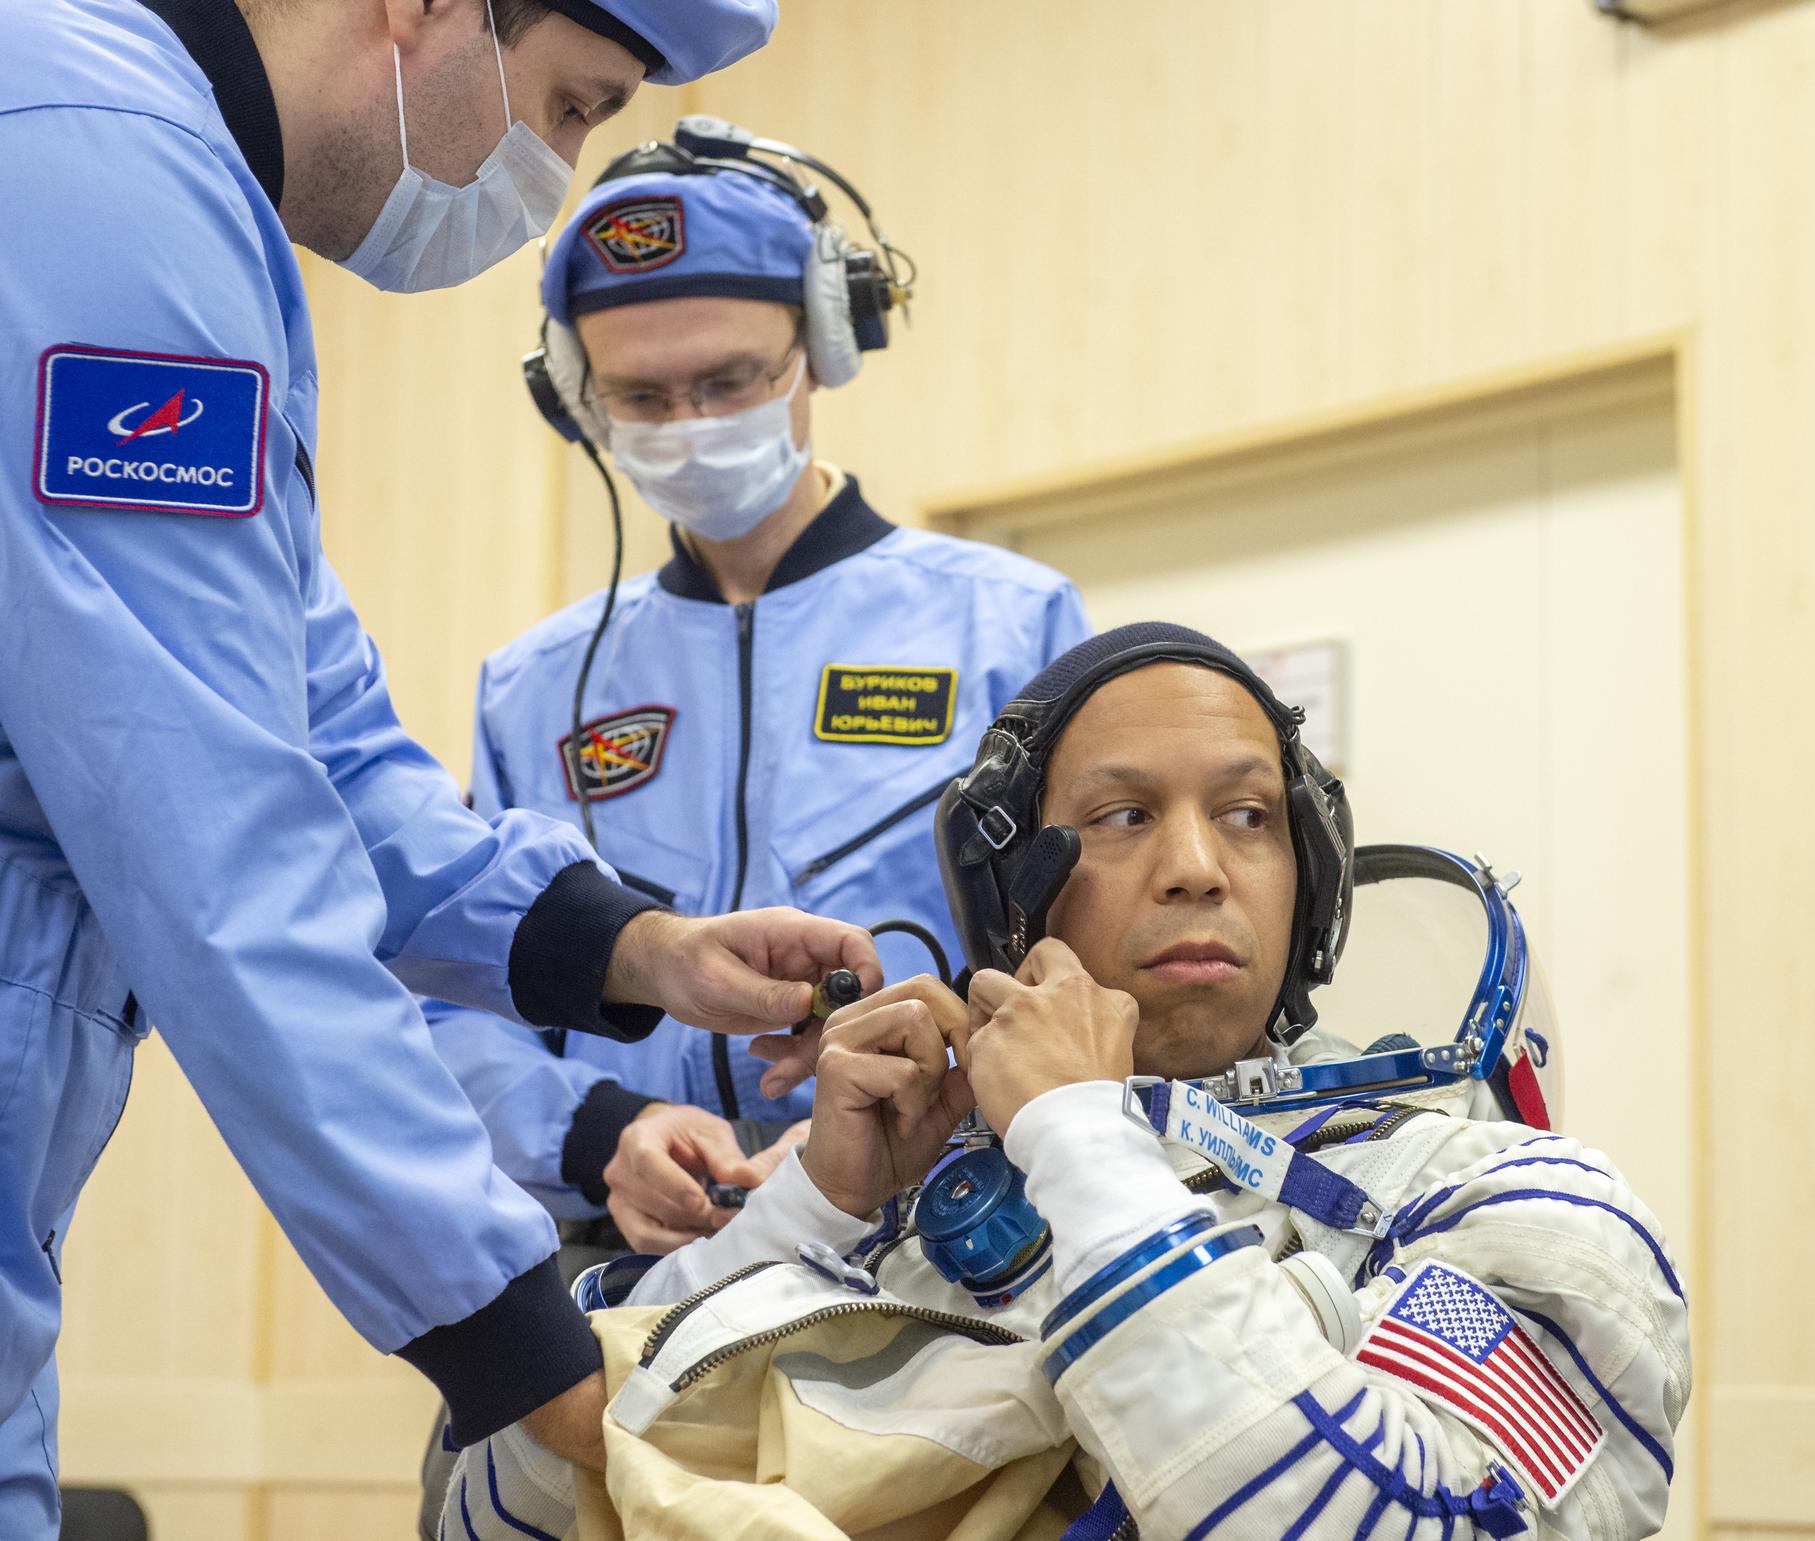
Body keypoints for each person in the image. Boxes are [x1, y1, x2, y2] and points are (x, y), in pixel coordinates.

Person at [0, 2, 890, 1534]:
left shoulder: (181, 213)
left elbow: (319, 739)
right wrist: (536, 1359)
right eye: (571, 103)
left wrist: (635, 946)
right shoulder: (98, 178)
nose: (555, 169)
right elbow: (218, 847)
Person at [451, 623, 1691, 1540]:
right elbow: (510, 1506)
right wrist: (810, 1216)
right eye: (1121, 817)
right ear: (1015, 898)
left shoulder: (1510, 1203)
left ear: (1310, 873)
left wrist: (1082, 1141)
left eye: (1251, 815)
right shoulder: (904, 1205)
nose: (1199, 865)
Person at [423, 133, 1090, 1256]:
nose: (690, 425)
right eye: (642, 394)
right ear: (577, 397)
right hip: (628, 1255)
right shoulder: (529, 688)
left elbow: (1081, 966)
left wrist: (914, 1108)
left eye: (731, 380)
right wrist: (600, 1130)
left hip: (936, 1234)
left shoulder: (1010, 624)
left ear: (824, 344)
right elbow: (452, 989)